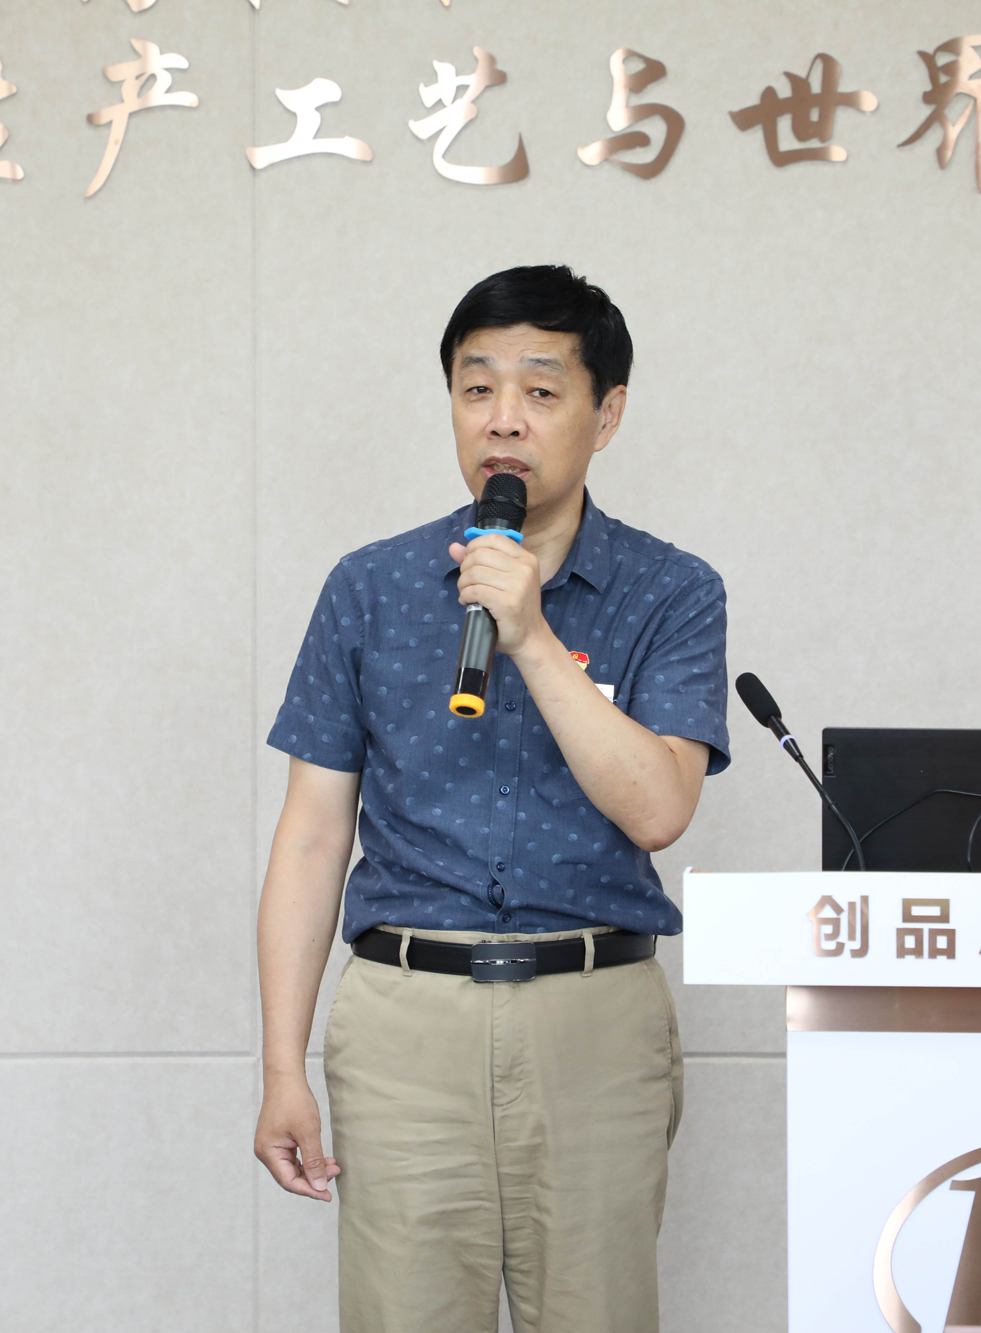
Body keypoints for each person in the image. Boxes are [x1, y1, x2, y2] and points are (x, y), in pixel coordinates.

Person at [253, 265, 730, 1333]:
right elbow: (311, 836)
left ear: (606, 414)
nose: (502, 419)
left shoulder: (672, 590)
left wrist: (532, 634)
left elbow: (659, 807)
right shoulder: (370, 587)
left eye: (540, 390)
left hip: (595, 1021)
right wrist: (282, 1063)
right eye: (476, 389)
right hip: (404, 1022)